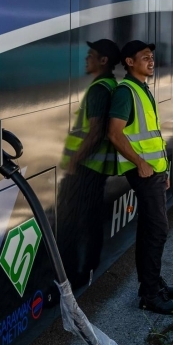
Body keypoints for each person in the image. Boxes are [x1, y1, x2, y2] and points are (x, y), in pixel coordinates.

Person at [108, 40, 173, 313]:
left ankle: (151, 285)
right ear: (129, 62)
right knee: (157, 231)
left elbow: (153, 137)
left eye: (152, 57)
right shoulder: (126, 92)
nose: (151, 61)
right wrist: (140, 163)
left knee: (149, 229)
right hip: (143, 172)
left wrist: (164, 171)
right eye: (145, 57)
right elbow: (114, 134)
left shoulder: (142, 89)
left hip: (154, 171)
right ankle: (150, 295)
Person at [57, 39, 120, 288]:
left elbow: (95, 132)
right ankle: (88, 270)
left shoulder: (99, 89)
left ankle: (71, 277)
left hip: (85, 170)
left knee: (69, 223)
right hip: (96, 170)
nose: (87, 59)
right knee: (92, 222)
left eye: (91, 55)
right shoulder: (111, 85)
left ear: (103, 60)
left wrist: (75, 160)